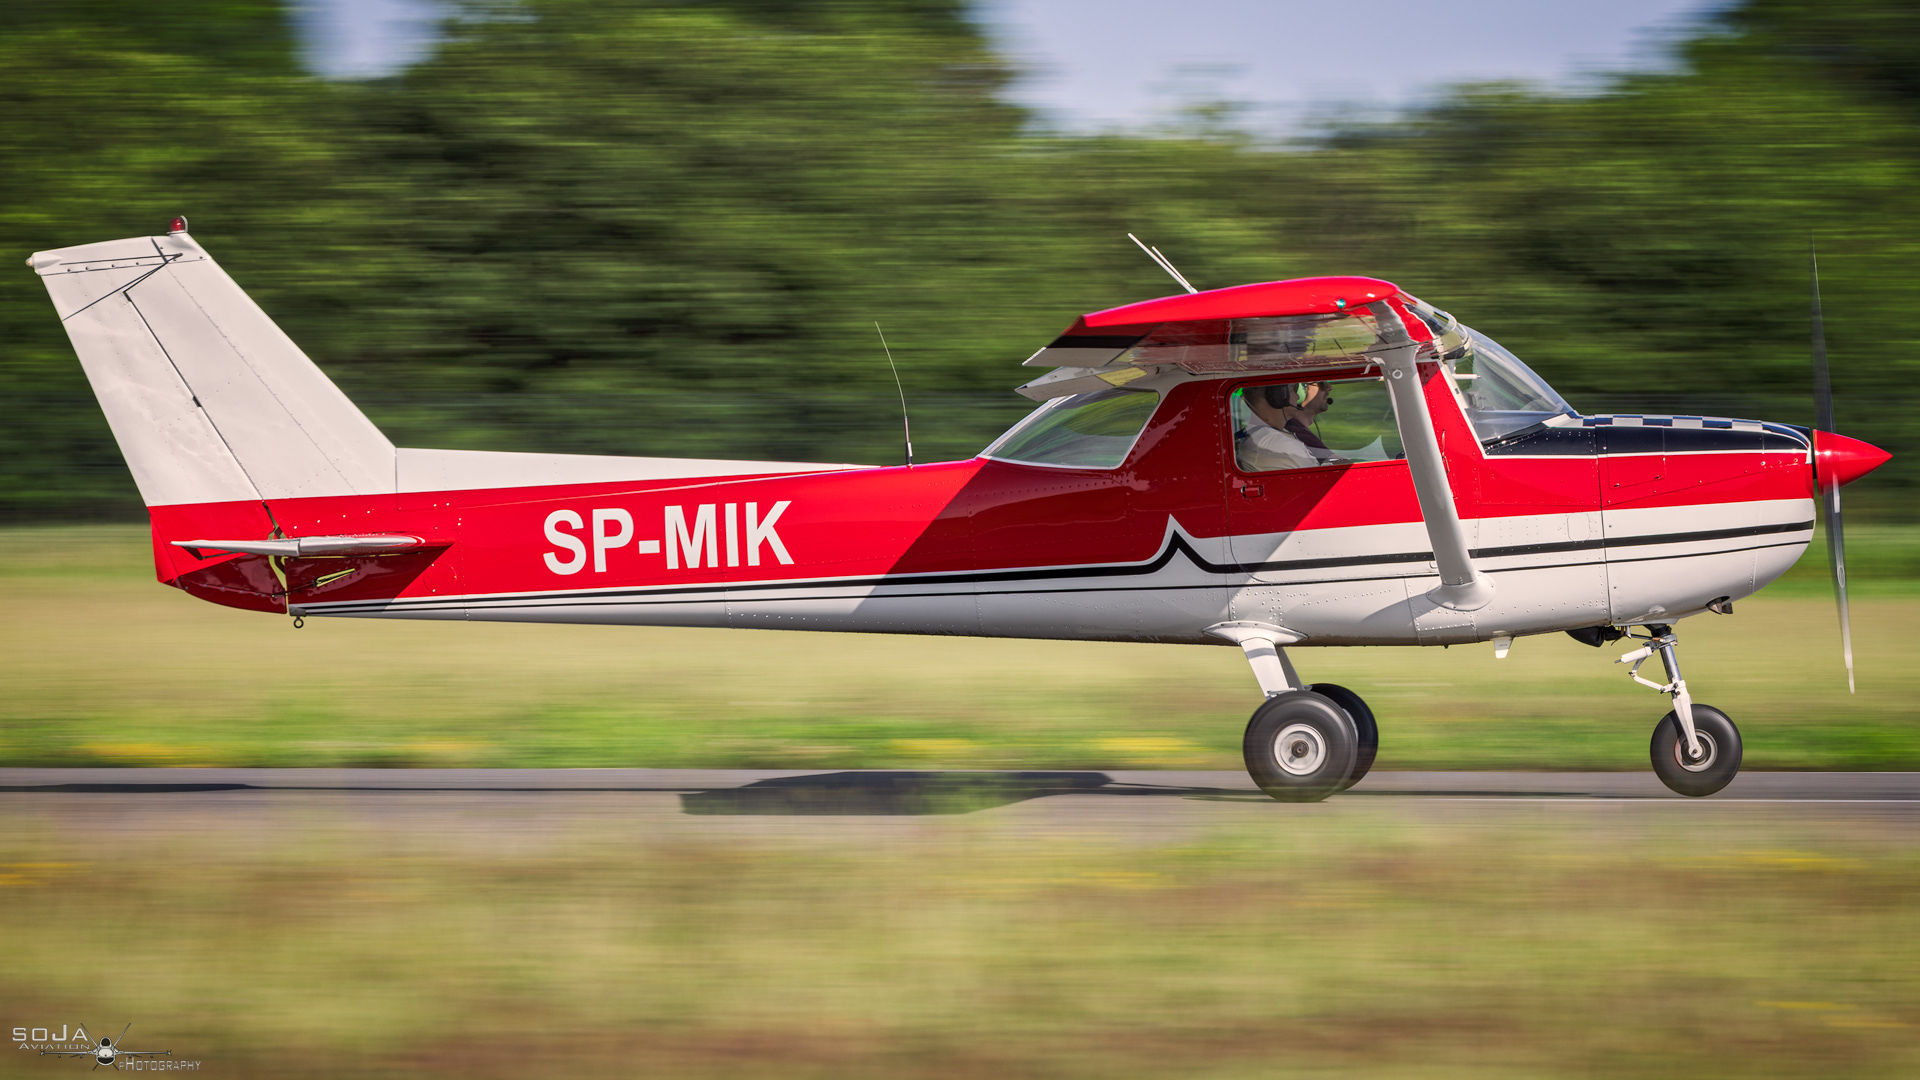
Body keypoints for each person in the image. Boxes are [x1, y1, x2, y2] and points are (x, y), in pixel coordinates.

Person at [1237, 382, 1342, 471]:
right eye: (1293, 390)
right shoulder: (1275, 443)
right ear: (1277, 396)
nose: (1299, 397)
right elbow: (1324, 479)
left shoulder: (1267, 436)